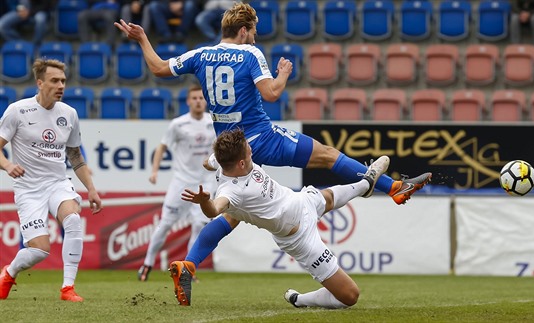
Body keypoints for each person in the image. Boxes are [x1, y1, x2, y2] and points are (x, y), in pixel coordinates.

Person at [114, 1, 431, 302]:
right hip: (260, 137)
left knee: (232, 215)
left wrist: (142, 38)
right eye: (252, 31)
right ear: (243, 31)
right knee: (329, 155)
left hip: (230, 151)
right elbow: (272, 93)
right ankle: (395, 188)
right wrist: (283, 73)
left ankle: (189, 263)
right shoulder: (249, 53)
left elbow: (157, 68)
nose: (254, 36)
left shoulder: (201, 54)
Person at [176, 129, 389, 308]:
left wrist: (210, 161)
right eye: (249, 151)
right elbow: (214, 210)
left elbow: (208, 162)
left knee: (329, 198)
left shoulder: (225, 161)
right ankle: (301, 300)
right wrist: (204, 200)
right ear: (241, 163)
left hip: (301, 200)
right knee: (350, 296)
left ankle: (366, 184)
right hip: (300, 236)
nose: (252, 150)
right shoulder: (232, 191)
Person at [0, 58, 103, 302]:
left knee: (73, 220)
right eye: (54, 80)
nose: (61, 86)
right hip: (28, 189)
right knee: (38, 251)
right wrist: (7, 165)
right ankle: (9, 272)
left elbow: (75, 156)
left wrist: (91, 189)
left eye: (63, 81)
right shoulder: (17, 111)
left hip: (58, 182)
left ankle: (68, 288)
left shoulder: (69, 114)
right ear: (40, 83)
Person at [137, 84, 216, 282]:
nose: (198, 101)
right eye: (194, 98)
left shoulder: (213, 122)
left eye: (201, 98)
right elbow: (162, 147)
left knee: (199, 226)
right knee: (165, 225)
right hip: (181, 182)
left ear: (205, 100)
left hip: (205, 182)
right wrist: (154, 171)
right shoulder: (178, 124)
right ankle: (147, 264)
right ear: (188, 101)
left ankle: (189, 269)